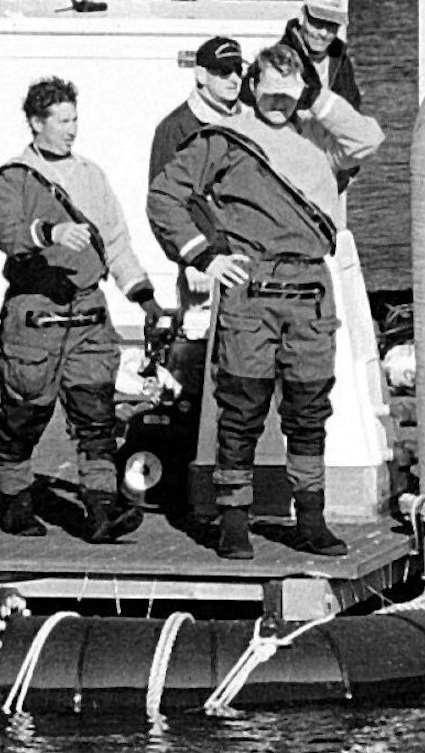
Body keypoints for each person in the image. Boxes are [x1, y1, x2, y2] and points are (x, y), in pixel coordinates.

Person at [146, 43, 383, 561]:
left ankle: (312, 521)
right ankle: (235, 521)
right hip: (251, 294)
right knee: (241, 411)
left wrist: (317, 99)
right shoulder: (228, 140)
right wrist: (204, 256)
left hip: (311, 295)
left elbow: (369, 138)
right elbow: (165, 196)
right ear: (252, 87)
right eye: (268, 91)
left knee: (308, 412)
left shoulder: (320, 141)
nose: (277, 103)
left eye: (287, 93)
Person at [0, 76, 163, 543]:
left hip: (87, 314)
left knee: (95, 417)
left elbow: (115, 241)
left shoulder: (91, 175)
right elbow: (8, 232)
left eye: (75, 118)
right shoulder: (11, 178)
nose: (71, 129)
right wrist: (50, 233)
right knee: (24, 415)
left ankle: (101, 512)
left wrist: (143, 294)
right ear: (36, 122)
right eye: (62, 120)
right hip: (35, 314)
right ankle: (15, 502)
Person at [147, 34, 245, 183]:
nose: (235, 79)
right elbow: (162, 197)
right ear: (201, 75)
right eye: (224, 71)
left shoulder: (249, 121)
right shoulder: (174, 127)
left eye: (238, 70)